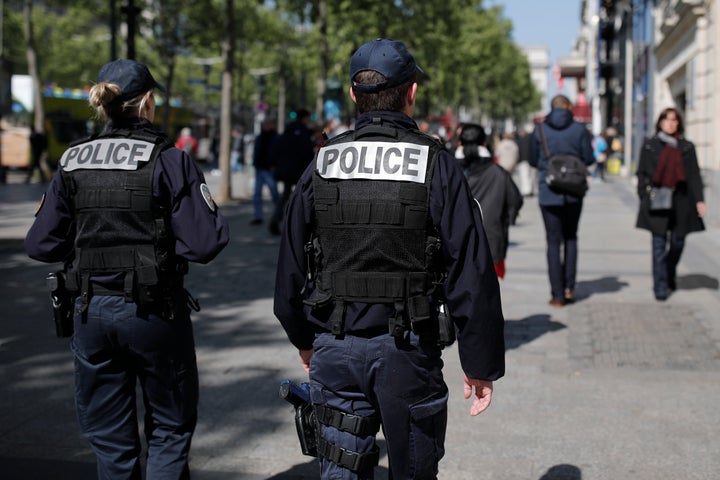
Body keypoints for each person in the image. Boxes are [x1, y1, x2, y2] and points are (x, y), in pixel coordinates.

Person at [274, 38, 505, 479]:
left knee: (341, 472)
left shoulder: (322, 162)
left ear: (352, 95)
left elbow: (288, 265)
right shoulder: (436, 164)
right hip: (408, 352)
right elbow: (471, 270)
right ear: (412, 92)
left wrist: (303, 337)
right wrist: (480, 364)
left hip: (334, 349)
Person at [24, 59, 230, 480]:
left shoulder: (73, 160)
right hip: (155, 314)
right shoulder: (170, 160)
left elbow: (41, 243)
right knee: (169, 432)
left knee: (112, 445)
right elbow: (204, 244)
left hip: (90, 313)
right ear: (148, 103)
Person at [529, 94, 594, 307]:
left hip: (549, 190)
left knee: (553, 242)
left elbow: (531, 158)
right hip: (574, 192)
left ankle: (556, 294)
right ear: (568, 107)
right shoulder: (580, 129)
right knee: (571, 238)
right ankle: (569, 288)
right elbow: (589, 158)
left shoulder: (539, 129)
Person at [635, 107, 706, 301]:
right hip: (657, 201)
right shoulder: (650, 145)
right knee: (658, 244)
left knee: (678, 242)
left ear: (679, 123)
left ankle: (667, 271)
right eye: (666, 120)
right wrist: (643, 195)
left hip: (681, 201)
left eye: (674, 120)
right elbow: (641, 173)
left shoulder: (686, 147)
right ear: (660, 122)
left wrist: (699, 199)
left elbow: (694, 175)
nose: (670, 123)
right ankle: (660, 286)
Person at [458, 123, 523, 279]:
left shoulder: (449, 171)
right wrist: (506, 219)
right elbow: (516, 201)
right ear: (485, 143)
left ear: (460, 144)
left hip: (457, 245)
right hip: (491, 242)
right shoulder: (499, 173)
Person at [268, 108, 315, 235]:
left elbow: (277, 148)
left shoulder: (287, 131)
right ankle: (297, 225)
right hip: (299, 170)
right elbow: (307, 152)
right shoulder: (304, 133)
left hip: (286, 170)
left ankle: (275, 220)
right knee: (301, 197)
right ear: (305, 118)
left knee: (285, 196)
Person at [250, 118, 281, 226]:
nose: (266, 126)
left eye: (268, 124)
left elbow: (277, 153)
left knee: (274, 193)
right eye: (265, 124)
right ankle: (258, 216)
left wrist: (275, 165)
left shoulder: (276, 137)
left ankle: (279, 214)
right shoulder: (260, 137)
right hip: (260, 168)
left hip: (269, 169)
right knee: (257, 194)